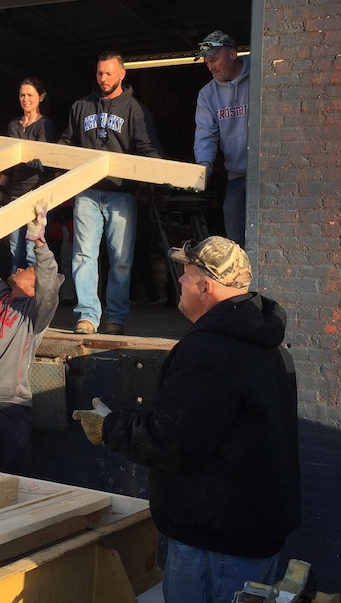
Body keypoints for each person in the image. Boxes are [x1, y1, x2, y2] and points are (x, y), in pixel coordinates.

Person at [72, 236, 301, 603]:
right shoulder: (269, 347)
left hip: (215, 543)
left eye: (185, 274)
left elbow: (172, 440)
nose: (178, 281)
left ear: (205, 287)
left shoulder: (210, 350)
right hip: (249, 535)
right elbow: (204, 426)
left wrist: (110, 428)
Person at [58, 51, 163, 335]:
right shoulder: (81, 106)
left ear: (122, 73)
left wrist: (156, 179)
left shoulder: (135, 109)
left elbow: (148, 148)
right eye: (99, 73)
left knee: (121, 259)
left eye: (108, 73)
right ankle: (87, 317)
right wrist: (50, 160)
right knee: (83, 256)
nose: (103, 79)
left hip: (122, 194)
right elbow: (67, 143)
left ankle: (116, 317)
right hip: (88, 192)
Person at [0, 203, 60, 474]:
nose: (20, 267)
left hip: (7, 409)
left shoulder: (33, 314)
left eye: (28, 269)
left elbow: (50, 287)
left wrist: (39, 241)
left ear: (33, 286)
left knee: (10, 483)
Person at [0, 77, 58, 271]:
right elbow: (9, 161)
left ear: (40, 97)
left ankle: (32, 297)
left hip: (37, 195)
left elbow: (46, 160)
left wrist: (32, 161)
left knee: (32, 249)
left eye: (30, 95)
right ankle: (16, 297)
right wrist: (0, 189)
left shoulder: (46, 125)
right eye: (22, 95)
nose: (25, 99)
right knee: (16, 248)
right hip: (15, 193)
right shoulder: (13, 125)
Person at [194, 30, 249, 247]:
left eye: (215, 59)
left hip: (267, 175)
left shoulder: (261, 76)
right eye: (207, 62)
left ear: (233, 54)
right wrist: (204, 165)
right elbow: (205, 134)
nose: (210, 66)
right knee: (235, 246)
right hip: (236, 177)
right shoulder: (207, 94)